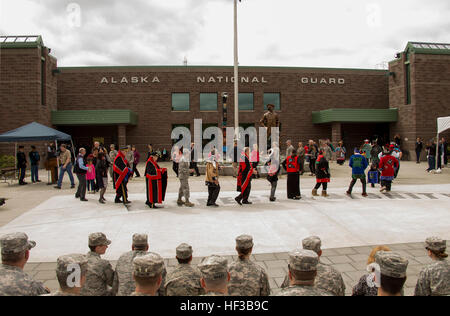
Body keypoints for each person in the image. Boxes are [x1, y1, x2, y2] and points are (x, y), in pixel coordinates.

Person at [280, 236, 345, 296]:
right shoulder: (334, 273)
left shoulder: (292, 272)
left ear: (290, 274)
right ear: (320, 252)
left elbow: (284, 288)